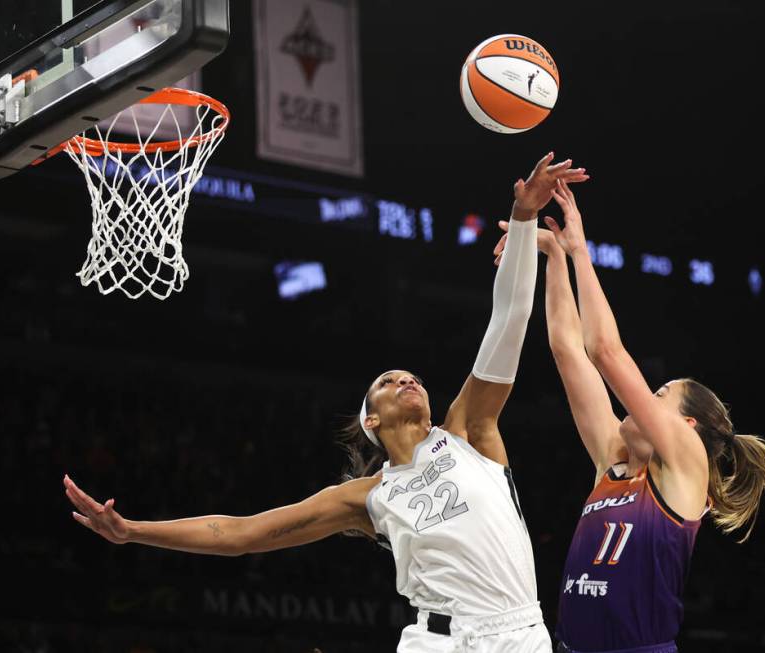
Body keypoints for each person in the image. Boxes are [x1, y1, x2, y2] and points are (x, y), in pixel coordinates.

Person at [64, 152, 589, 652]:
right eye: (389, 380)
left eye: (412, 376)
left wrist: (523, 219)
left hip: (520, 631)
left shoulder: (469, 431)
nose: (407, 379)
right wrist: (132, 531)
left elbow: (509, 319)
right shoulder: (365, 498)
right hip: (439, 639)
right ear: (372, 419)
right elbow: (241, 532)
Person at [494, 179, 765, 653]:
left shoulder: (686, 464)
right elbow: (568, 349)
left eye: (661, 393)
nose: (645, 396)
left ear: (687, 426)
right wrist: (556, 260)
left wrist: (580, 249)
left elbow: (604, 349)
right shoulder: (614, 459)